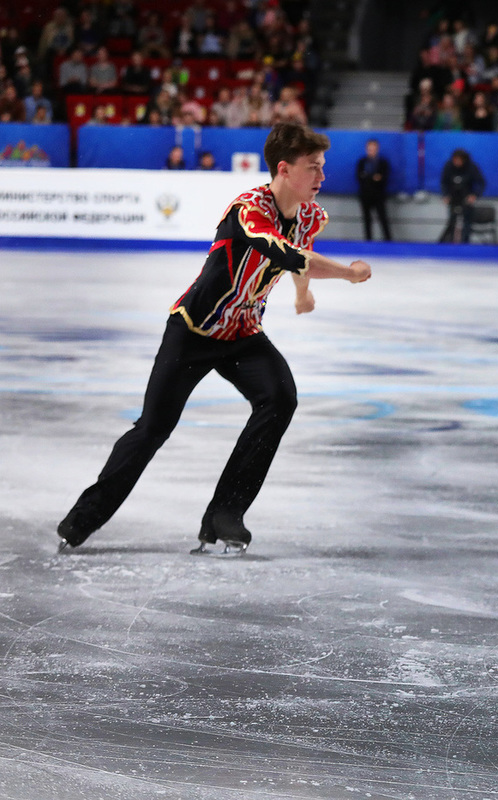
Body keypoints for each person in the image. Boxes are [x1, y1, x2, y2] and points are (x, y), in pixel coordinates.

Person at [57, 122, 373, 556]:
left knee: (280, 398)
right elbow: (284, 252)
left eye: (322, 168)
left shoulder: (311, 215)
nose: (322, 177)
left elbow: (298, 262)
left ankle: (225, 515)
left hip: (243, 334)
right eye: (313, 168)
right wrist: (348, 273)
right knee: (152, 429)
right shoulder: (249, 209)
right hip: (193, 332)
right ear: (284, 169)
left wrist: (304, 293)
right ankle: (80, 521)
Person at [439, 148, 486, 244]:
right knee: (452, 223)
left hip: (466, 198)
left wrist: (474, 195)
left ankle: (465, 244)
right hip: (453, 198)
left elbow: (481, 183)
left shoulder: (472, 167)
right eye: (455, 160)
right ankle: (449, 244)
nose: (457, 162)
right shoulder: (448, 166)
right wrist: (445, 195)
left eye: (459, 160)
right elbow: (444, 182)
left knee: (467, 223)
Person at [355, 138, 392, 241]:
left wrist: (370, 177)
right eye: (370, 148)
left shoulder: (383, 163)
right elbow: (359, 177)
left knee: (383, 218)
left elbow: (383, 178)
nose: (372, 150)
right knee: (367, 219)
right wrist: (373, 178)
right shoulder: (362, 162)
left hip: (379, 195)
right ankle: (368, 240)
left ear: (377, 149)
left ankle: (388, 240)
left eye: (374, 148)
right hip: (365, 194)